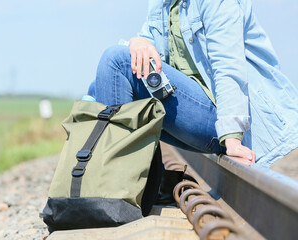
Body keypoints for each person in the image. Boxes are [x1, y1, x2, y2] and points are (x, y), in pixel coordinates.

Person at [87, 0, 298, 170]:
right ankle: (134, 179)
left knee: (115, 60)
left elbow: (229, 67)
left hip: (224, 118)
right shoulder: (162, 3)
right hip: (197, 112)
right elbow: (145, 47)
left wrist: (232, 136)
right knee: (100, 85)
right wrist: (137, 41)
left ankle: (117, 186)